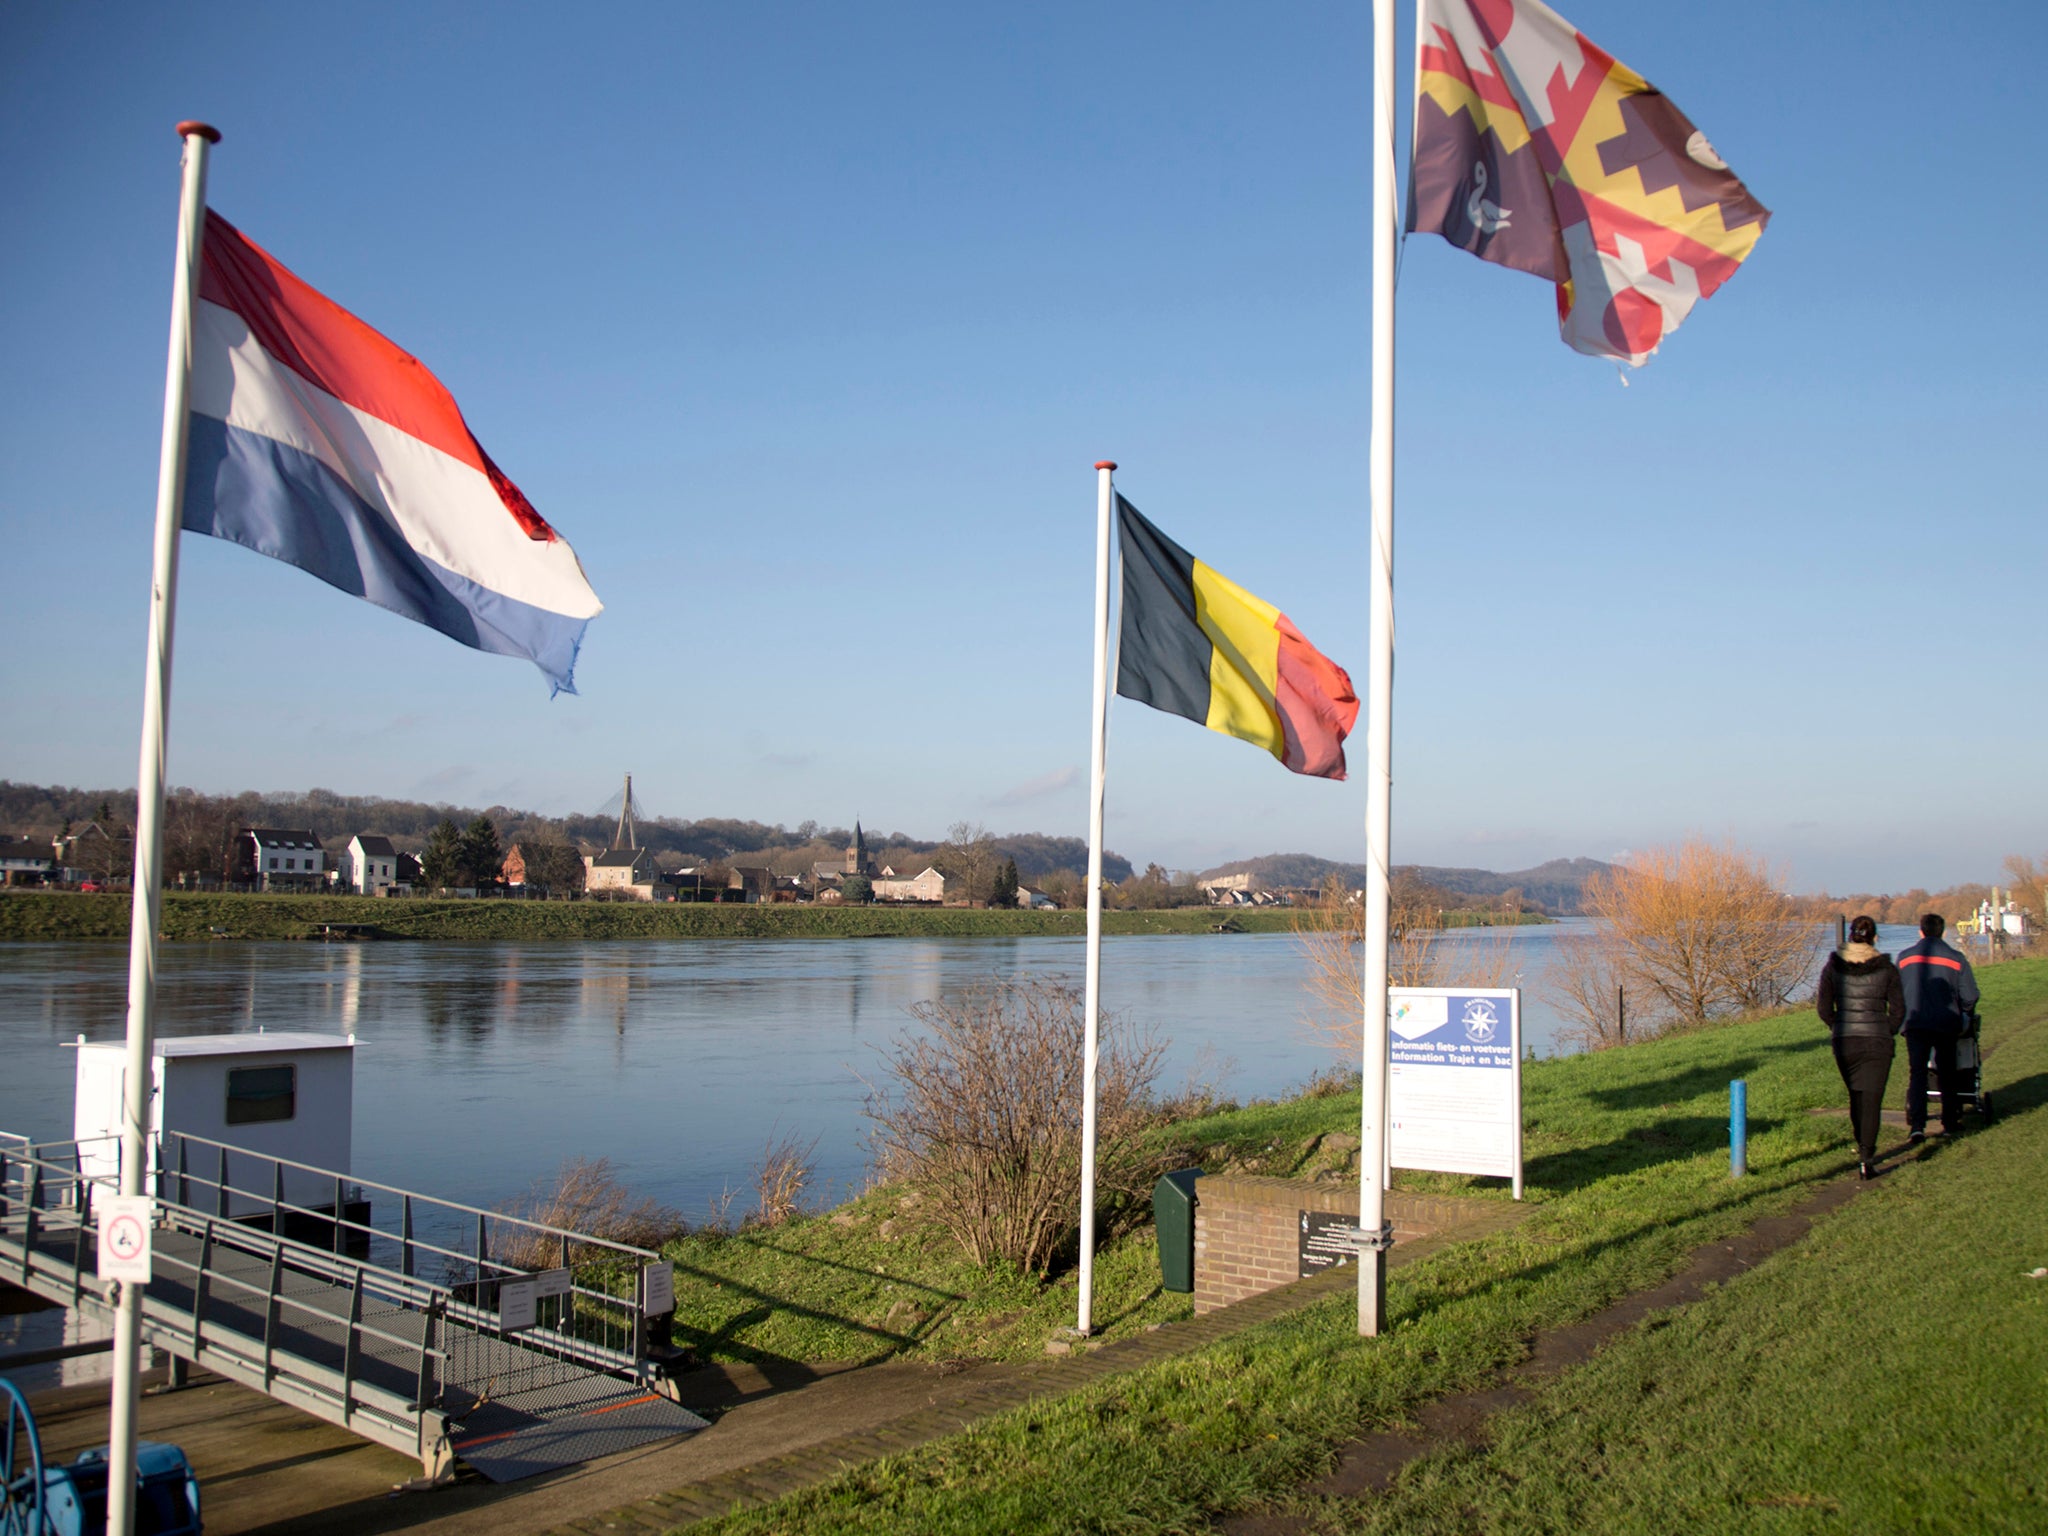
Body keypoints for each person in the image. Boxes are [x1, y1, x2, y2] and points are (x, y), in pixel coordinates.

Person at [1817, 914, 1905, 1179]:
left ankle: (1862, 1146)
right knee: (1872, 1099)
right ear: (1875, 937)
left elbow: (1823, 1008)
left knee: (1857, 1096)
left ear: (1850, 937)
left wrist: (1838, 1026)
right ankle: (1867, 1156)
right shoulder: (1887, 969)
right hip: (1877, 1041)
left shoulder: (1832, 967)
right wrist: (1886, 1029)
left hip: (1846, 1042)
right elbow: (1898, 1010)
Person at [1897, 912, 1980, 1142]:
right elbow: (1970, 995)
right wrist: (1963, 1012)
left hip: (1915, 1023)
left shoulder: (1904, 958)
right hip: (1946, 1022)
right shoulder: (1956, 958)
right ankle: (1950, 1121)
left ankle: (1917, 1125)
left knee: (1918, 1073)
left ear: (1920, 931)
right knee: (1947, 1072)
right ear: (1942, 932)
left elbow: (1897, 992)